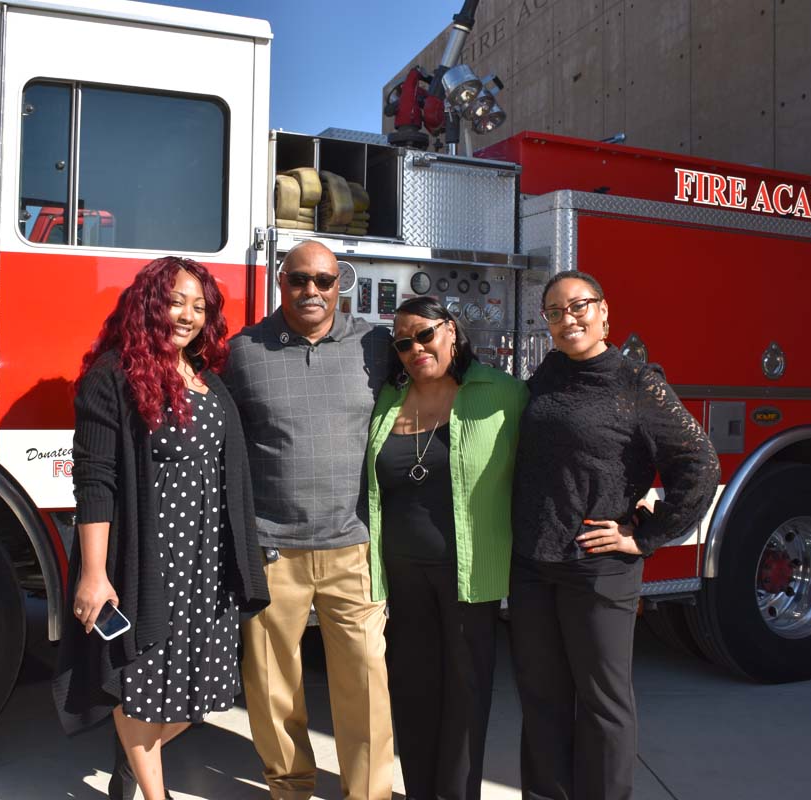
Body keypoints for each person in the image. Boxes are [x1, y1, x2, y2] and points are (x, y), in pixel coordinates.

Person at [52, 256, 268, 800]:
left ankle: (131, 765)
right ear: (149, 305)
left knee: (200, 688)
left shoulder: (207, 379)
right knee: (141, 680)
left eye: (199, 306)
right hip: (150, 558)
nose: (187, 316)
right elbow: (95, 481)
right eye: (175, 302)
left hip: (207, 561)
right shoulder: (113, 376)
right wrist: (94, 574)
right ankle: (154, 794)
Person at [509, 269, 720, 800]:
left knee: (602, 704)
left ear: (604, 312)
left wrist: (644, 535)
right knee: (541, 700)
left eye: (578, 306)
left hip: (597, 568)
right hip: (533, 564)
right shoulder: (549, 373)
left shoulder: (637, 383)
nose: (568, 319)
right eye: (555, 312)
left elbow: (700, 464)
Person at [223, 240, 395, 800]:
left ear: (340, 284)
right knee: (271, 683)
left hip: (353, 548)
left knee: (365, 681)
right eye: (299, 279)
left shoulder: (375, 345)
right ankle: (290, 788)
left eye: (324, 280)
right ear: (281, 282)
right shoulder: (244, 351)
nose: (311, 290)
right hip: (272, 548)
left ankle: (367, 793)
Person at [365, 296, 528, 799]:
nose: (415, 348)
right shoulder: (387, 398)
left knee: (464, 699)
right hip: (401, 578)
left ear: (451, 331)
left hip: (468, 576)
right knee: (413, 694)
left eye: (425, 335)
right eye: (403, 343)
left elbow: (554, 452)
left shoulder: (501, 392)